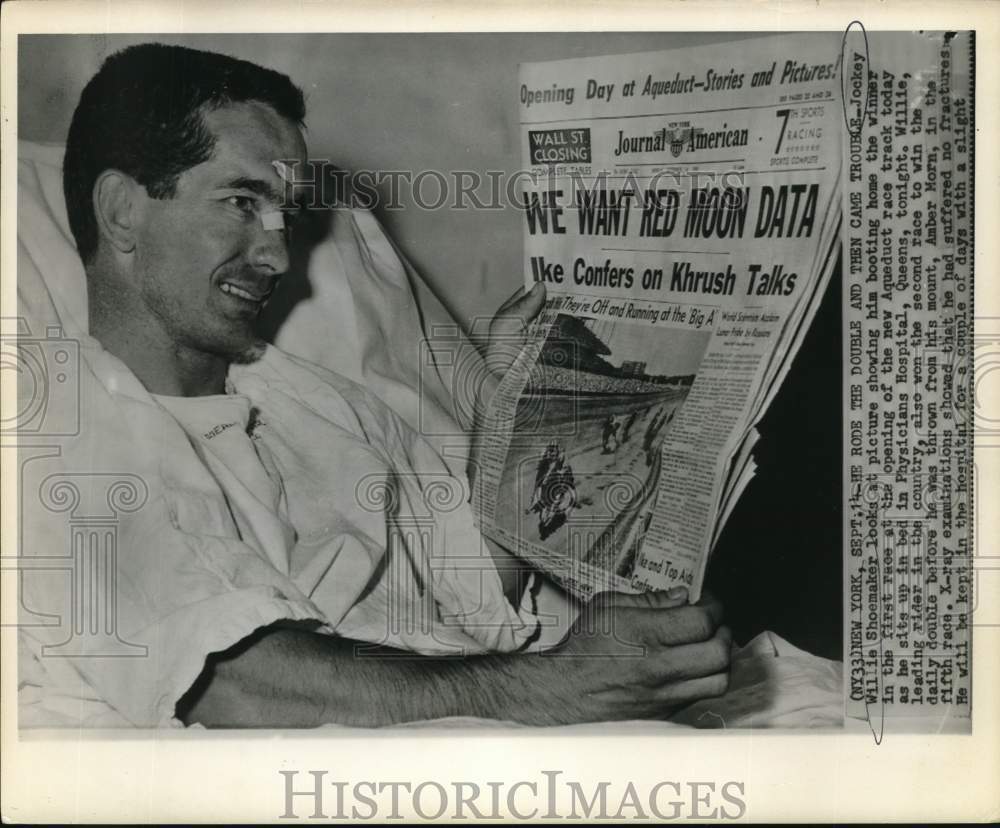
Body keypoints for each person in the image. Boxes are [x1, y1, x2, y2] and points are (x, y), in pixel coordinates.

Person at [29, 43, 731, 728]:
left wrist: (523, 412)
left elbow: (475, 596)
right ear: (122, 211)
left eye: (287, 215)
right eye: (243, 202)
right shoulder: (59, 439)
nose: (276, 254)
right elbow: (235, 684)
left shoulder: (305, 399)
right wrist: (561, 686)